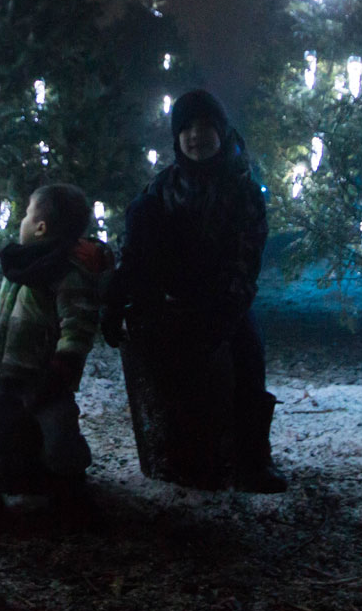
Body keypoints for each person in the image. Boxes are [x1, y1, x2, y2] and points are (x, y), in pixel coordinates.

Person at [102, 89, 287, 493]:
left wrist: (226, 311)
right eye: (186, 128)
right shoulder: (163, 188)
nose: (195, 137)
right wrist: (119, 295)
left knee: (247, 354)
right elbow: (136, 249)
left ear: (221, 132)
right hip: (172, 294)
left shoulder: (243, 191)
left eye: (204, 128)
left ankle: (253, 459)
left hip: (223, 295)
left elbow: (245, 260)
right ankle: (179, 452)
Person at [0, 183, 112, 537]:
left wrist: (59, 373)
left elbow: (78, 328)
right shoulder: (20, 266)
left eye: (27, 214)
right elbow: (1, 315)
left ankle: (72, 498)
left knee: (61, 440)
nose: (21, 220)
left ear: (40, 227)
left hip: (44, 382)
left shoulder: (67, 274)